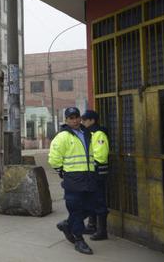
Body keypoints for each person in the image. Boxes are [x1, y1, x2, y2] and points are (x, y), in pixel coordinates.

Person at [49, 107, 96, 255]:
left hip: (88, 177)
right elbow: (54, 158)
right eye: (71, 118)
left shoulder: (87, 133)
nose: (75, 120)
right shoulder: (62, 137)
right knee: (75, 209)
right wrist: (61, 170)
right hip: (73, 179)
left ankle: (67, 224)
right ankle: (79, 240)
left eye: (77, 117)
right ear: (66, 120)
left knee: (90, 208)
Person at [81, 110, 110, 240]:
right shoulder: (89, 133)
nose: (83, 122)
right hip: (90, 173)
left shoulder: (99, 134)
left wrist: (91, 168)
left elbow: (100, 156)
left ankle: (102, 231)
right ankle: (92, 225)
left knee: (99, 201)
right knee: (90, 199)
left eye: (85, 119)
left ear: (92, 120)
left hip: (97, 173)